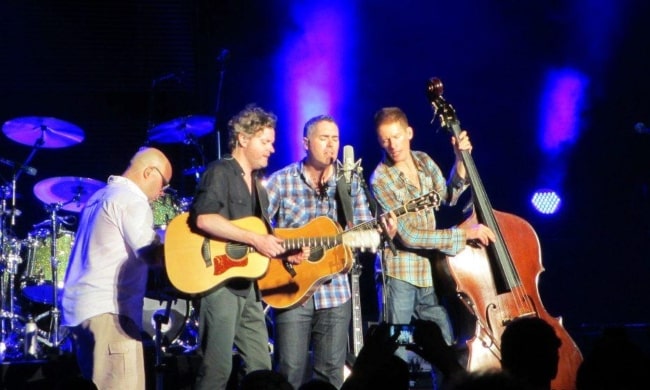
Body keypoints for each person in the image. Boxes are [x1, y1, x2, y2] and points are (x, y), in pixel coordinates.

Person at [265, 115, 386, 389]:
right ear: (306, 143)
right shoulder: (281, 181)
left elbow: (363, 228)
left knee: (331, 373)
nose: (331, 145)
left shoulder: (348, 183)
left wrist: (374, 230)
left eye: (335, 139)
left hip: (335, 292)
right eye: (323, 139)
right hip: (290, 287)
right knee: (289, 371)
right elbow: (257, 230)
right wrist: (284, 252)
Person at [369, 107, 495, 364]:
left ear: (409, 132)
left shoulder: (424, 161)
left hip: (429, 273)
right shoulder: (380, 179)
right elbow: (409, 235)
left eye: (396, 137)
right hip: (399, 275)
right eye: (384, 140)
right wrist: (462, 235)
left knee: (445, 346)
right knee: (398, 348)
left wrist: (460, 160)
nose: (391, 145)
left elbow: (449, 196)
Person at [61, 147, 173, 389]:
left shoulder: (100, 197)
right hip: (109, 314)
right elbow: (151, 254)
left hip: (80, 312)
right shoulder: (132, 199)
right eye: (163, 183)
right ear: (148, 172)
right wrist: (179, 245)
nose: (162, 193)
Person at [190, 104, 283, 390]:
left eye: (272, 142)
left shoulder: (260, 187)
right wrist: (255, 239)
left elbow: (261, 237)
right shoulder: (220, 171)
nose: (272, 149)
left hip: (248, 286)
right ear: (243, 138)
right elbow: (204, 218)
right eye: (265, 141)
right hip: (219, 283)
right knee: (217, 368)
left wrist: (286, 251)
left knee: (261, 366)